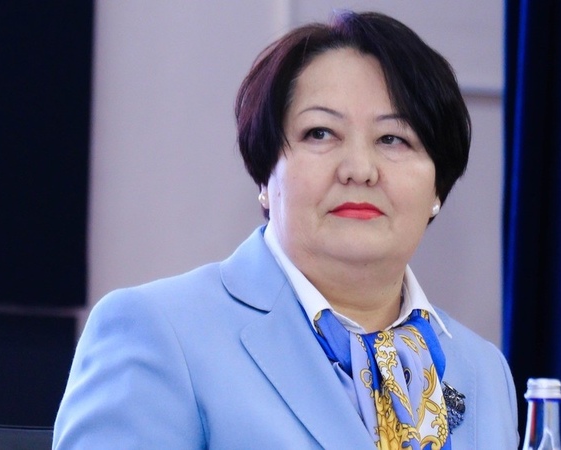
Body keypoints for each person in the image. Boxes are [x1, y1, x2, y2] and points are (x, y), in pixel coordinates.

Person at [53, 10, 518, 449]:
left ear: (438, 185)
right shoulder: (158, 332)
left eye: (393, 139)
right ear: (265, 172)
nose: (359, 169)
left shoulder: (482, 369)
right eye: (320, 133)